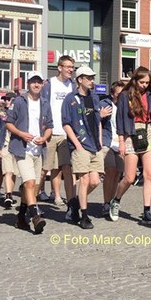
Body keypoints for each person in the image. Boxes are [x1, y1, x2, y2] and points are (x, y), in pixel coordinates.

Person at [110, 66, 151, 225]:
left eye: (147, 82)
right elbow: (120, 120)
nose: (145, 85)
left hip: (148, 132)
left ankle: (147, 211)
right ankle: (116, 200)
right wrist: (121, 142)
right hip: (131, 133)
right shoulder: (125, 95)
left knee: (149, 174)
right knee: (130, 177)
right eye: (142, 82)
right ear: (135, 80)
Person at [6, 72, 53, 234]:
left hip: (38, 150)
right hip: (22, 148)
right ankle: (35, 216)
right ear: (28, 84)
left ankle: (20, 217)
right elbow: (8, 123)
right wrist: (21, 134)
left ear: (42, 84)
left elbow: (49, 126)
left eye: (39, 82)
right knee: (30, 183)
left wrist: (45, 137)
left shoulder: (45, 103)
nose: (36, 85)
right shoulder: (19, 101)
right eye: (33, 82)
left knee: (33, 186)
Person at [62, 66, 103, 229]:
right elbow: (66, 123)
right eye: (89, 78)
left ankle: (75, 205)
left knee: (95, 181)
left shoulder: (94, 97)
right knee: (84, 180)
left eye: (93, 77)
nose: (92, 81)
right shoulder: (70, 99)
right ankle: (84, 216)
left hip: (95, 144)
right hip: (80, 145)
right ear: (80, 79)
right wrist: (77, 145)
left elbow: (97, 120)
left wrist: (100, 141)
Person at [40, 55, 75, 209]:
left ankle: (67, 198)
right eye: (68, 67)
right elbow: (43, 105)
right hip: (51, 131)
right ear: (59, 67)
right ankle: (32, 194)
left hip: (67, 132)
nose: (70, 70)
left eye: (72, 67)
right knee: (47, 168)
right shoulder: (49, 84)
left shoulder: (72, 86)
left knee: (66, 167)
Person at [100, 81, 125, 217]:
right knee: (110, 170)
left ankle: (111, 201)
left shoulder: (125, 106)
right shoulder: (105, 104)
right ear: (112, 94)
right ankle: (106, 202)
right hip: (107, 142)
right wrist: (100, 115)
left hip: (120, 143)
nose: (121, 97)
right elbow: (93, 119)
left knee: (117, 174)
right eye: (118, 94)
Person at [0, 92, 18, 208]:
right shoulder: (2, 113)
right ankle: (8, 195)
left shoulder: (19, 112)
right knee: (8, 171)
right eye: (5, 99)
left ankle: (10, 193)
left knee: (14, 172)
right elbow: (2, 127)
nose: (6, 101)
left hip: (17, 146)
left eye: (8, 99)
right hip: (5, 145)